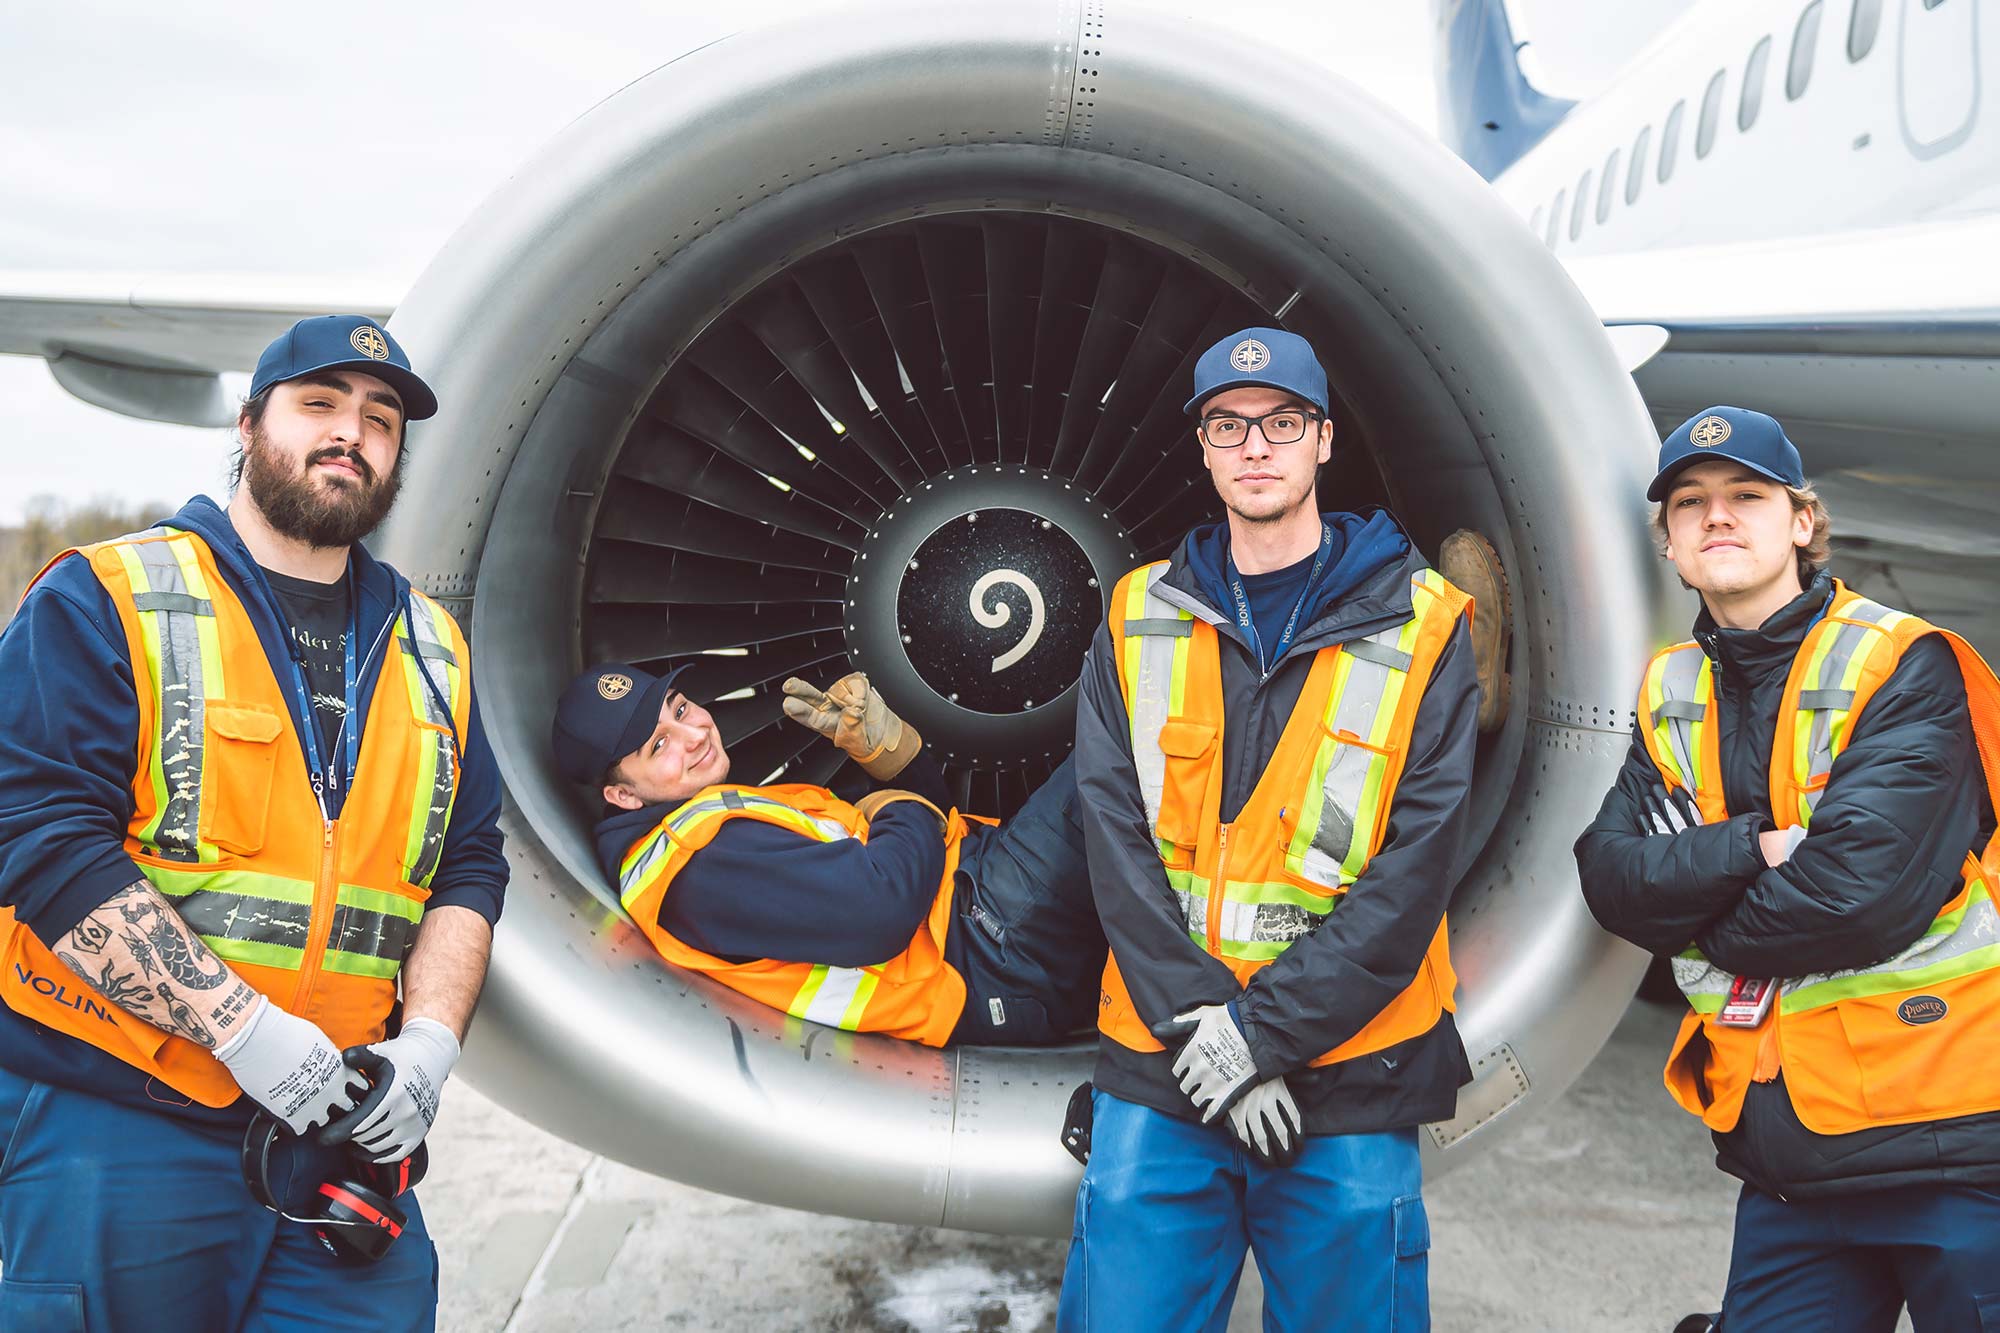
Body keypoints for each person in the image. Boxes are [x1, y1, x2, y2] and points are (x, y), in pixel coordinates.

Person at [0, 315, 508, 1331]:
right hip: (125, 1122)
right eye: (318, 404)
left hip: (338, 1130)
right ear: (249, 424)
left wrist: (431, 1044)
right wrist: (244, 1031)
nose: (349, 434)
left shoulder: (433, 648)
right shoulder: (109, 595)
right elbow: (40, 839)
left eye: (379, 420)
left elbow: (468, 863)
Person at [1058, 327, 1484, 1332]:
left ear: (1322, 441)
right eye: (1227, 425)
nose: (1255, 445)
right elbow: (1112, 841)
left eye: (1280, 422)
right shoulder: (1134, 615)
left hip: (1346, 1073)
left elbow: (1416, 868)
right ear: (1203, 448)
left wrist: (1260, 1035)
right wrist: (1206, 1025)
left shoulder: (1426, 627)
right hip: (1165, 1065)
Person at [1574, 406, 2000, 1331]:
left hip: (1952, 1149)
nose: (1717, 516)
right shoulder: (1672, 689)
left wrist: (1692, 913)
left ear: (1802, 522)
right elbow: (1610, 878)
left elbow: (1854, 899)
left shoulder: (1899, 664)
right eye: (1691, 502)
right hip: (1788, 1162)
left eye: (1747, 495)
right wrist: (1753, 847)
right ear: (1671, 539)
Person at [549, 661, 1104, 1046]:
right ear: (622, 795)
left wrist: (896, 764)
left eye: (680, 708)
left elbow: (920, 850)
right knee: (1126, 722)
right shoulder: (693, 861)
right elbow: (882, 908)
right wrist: (900, 806)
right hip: (988, 951)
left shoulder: (709, 816)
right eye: (659, 745)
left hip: (984, 918)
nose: (693, 734)